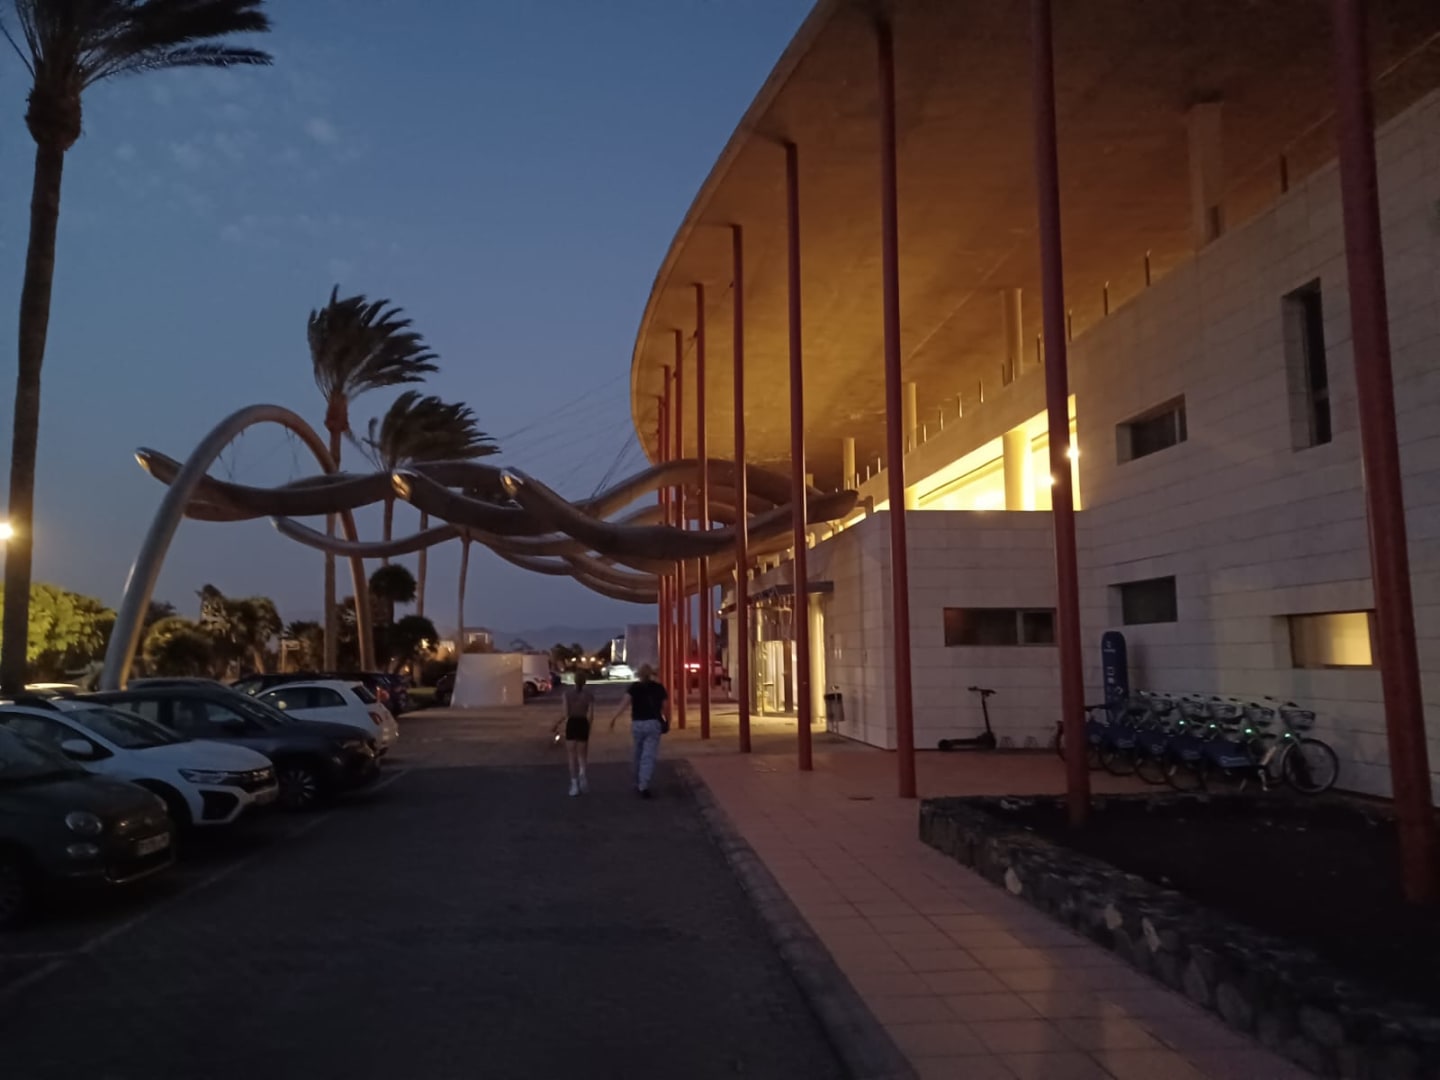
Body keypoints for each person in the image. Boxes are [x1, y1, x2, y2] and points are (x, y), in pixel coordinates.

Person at [609, 663, 669, 798]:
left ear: (639, 675)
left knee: (637, 752)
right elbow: (665, 707)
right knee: (648, 755)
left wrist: (614, 718)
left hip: (637, 724)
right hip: (653, 723)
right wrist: (667, 721)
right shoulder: (659, 688)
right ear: (651, 674)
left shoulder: (634, 688)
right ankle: (644, 785)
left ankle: (636, 781)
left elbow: (624, 704)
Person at [557, 670, 596, 796]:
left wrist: (556, 724)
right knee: (582, 755)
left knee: (571, 756)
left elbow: (565, 714)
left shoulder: (567, 694)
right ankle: (582, 774)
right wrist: (589, 727)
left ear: (574, 681)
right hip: (583, 723)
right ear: (585, 681)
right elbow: (591, 715)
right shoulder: (589, 695)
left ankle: (574, 785)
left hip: (572, 723)